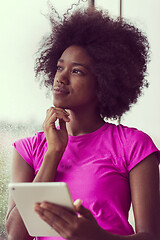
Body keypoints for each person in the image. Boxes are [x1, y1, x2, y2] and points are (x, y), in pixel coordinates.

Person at [5, 2, 160, 240]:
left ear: (104, 82)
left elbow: (151, 236)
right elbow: (16, 234)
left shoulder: (133, 145)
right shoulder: (28, 150)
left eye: (77, 71)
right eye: (59, 68)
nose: (61, 78)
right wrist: (53, 153)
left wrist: (97, 237)